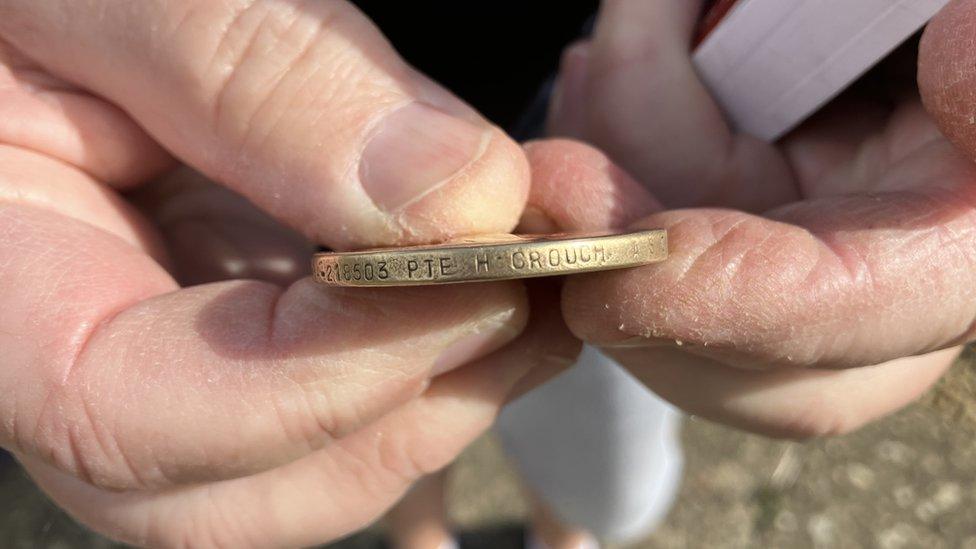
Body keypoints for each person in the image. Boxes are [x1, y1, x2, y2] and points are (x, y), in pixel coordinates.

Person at [2, 1, 976, 547]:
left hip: (641, 153)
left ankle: (562, 530)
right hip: (232, 159)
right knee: (375, 403)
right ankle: (419, 528)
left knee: (590, 433)